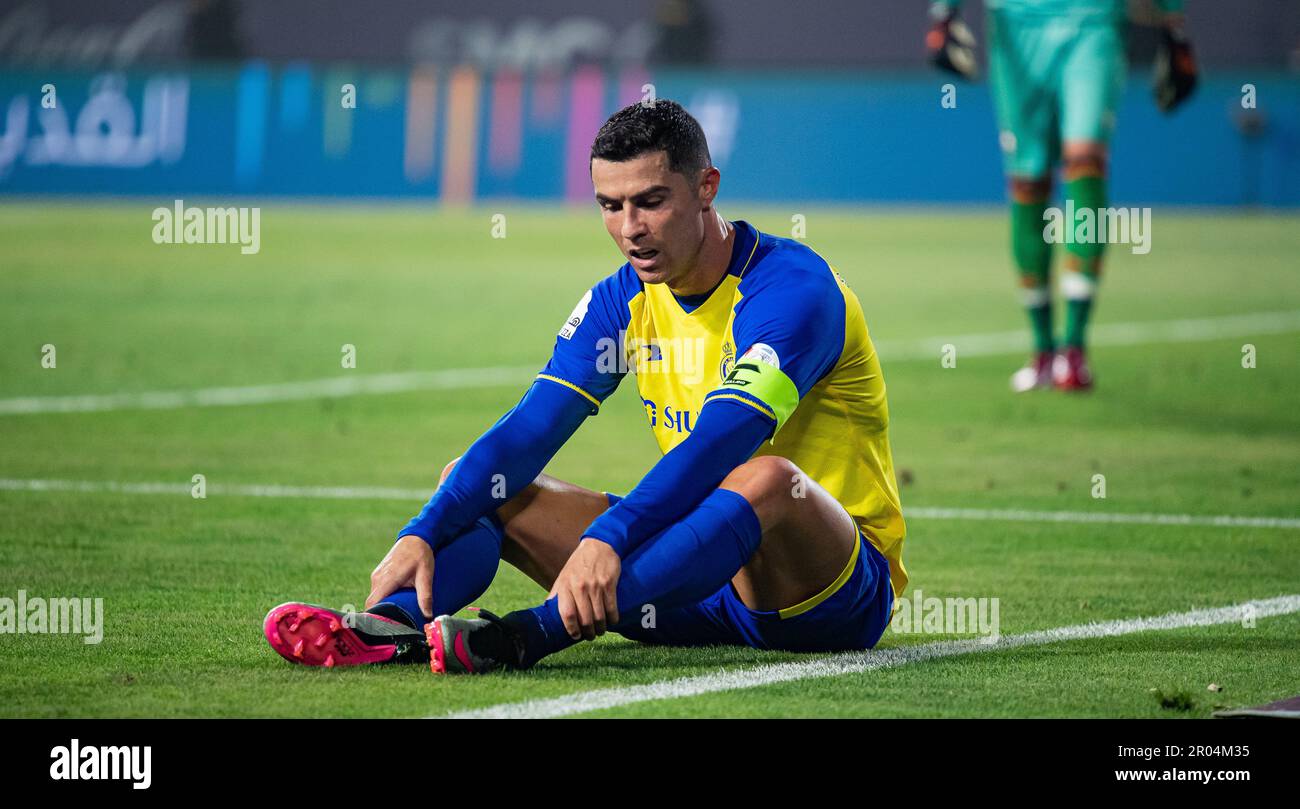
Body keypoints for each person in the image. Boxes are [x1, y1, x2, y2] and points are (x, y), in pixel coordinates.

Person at [264, 100, 907, 674]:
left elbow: (721, 441)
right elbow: (528, 432)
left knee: (768, 476)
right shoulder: (620, 300)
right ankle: (390, 628)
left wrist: (608, 537)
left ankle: (527, 637)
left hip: (825, 589)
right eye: (610, 205)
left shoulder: (793, 291)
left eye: (651, 201)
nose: (630, 228)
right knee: (481, 480)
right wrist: (423, 530)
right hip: (689, 583)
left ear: (706, 188)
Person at [927, 0, 1197, 391]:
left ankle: (1073, 348)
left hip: (1093, 19)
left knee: (1086, 160)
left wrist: (1174, 24)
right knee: (1027, 180)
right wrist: (944, 13)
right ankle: (1041, 349)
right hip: (1015, 23)